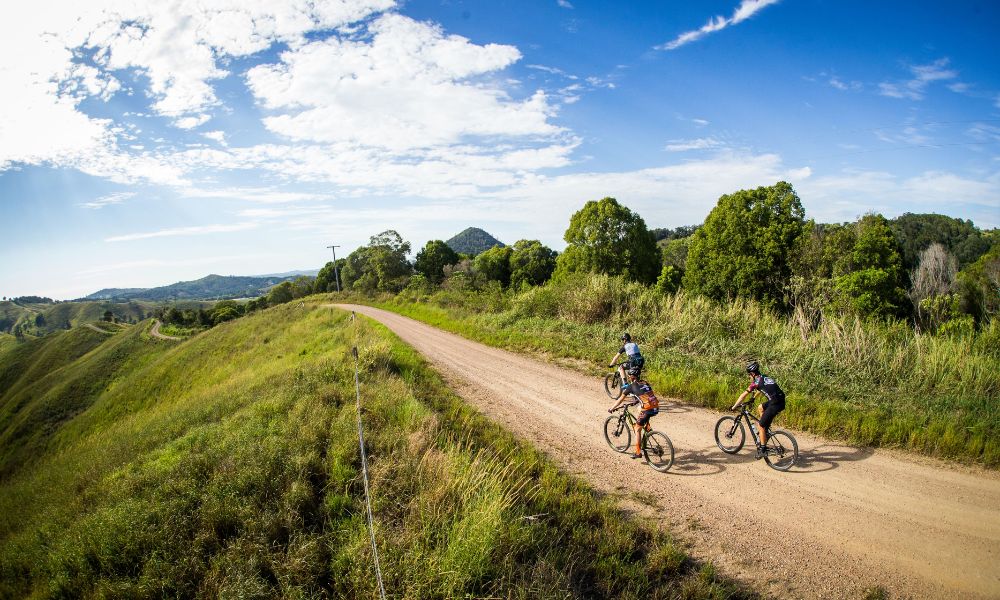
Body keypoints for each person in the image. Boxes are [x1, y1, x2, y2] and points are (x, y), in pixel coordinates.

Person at [731, 361, 786, 458]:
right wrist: (753, 398)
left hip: (775, 404)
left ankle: (763, 449)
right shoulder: (764, 377)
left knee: (761, 426)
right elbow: (762, 389)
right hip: (780, 400)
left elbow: (743, 395)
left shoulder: (755, 383)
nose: (749, 377)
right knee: (760, 407)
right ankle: (766, 431)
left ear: (752, 374)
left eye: (749, 375)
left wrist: (734, 407)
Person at [608, 373, 660, 458]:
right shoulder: (644, 382)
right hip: (656, 407)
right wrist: (636, 401)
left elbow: (620, 400)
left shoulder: (630, 387)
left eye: (628, 376)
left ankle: (638, 452)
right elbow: (645, 394)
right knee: (639, 408)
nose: (628, 377)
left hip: (647, 409)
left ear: (631, 378)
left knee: (637, 429)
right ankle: (647, 426)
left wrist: (612, 408)